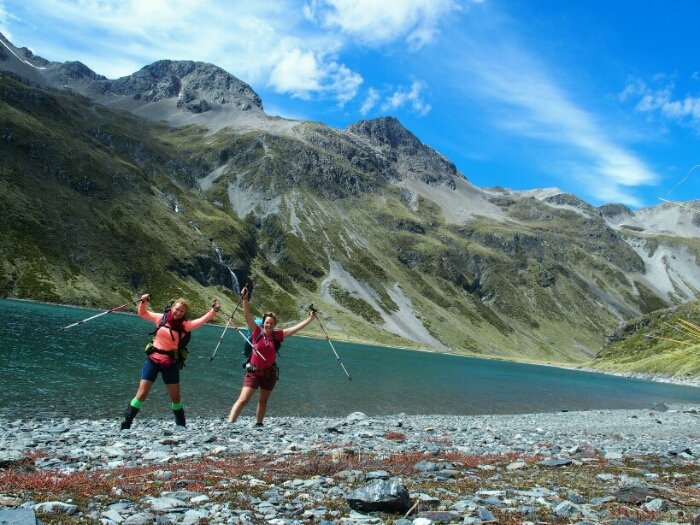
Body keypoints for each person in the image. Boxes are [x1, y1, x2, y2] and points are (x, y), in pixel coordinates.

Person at [120, 294, 220, 430]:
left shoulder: (185, 326)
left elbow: (201, 320)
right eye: (177, 309)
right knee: (141, 394)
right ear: (172, 307)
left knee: (175, 397)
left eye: (182, 311)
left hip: (170, 364)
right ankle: (126, 423)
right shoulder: (160, 318)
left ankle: (181, 424)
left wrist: (213, 311)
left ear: (184, 313)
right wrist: (143, 301)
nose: (178, 313)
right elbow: (142, 313)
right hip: (152, 361)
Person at [227, 285, 316, 426]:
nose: (269, 325)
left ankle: (259, 424)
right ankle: (230, 423)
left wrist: (310, 319)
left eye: (272, 323)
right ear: (263, 323)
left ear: (275, 324)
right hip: (253, 373)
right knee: (243, 399)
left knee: (263, 401)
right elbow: (247, 315)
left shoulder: (277, 335)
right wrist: (245, 298)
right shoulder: (256, 331)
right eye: (267, 323)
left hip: (269, 374)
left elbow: (295, 329)